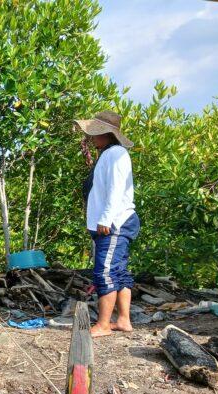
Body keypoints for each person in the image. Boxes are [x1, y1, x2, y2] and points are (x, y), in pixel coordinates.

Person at [74, 111, 140, 338]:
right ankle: (123, 321)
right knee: (118, 272)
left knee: (105, 272)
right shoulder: (109, 154)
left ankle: (103, 324)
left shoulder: (116, 154)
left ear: (106, 134)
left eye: (95, 133)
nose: (92, 138)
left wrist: (105, 219)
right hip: (116, 221)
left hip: (115, 222)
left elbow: (116, 188)